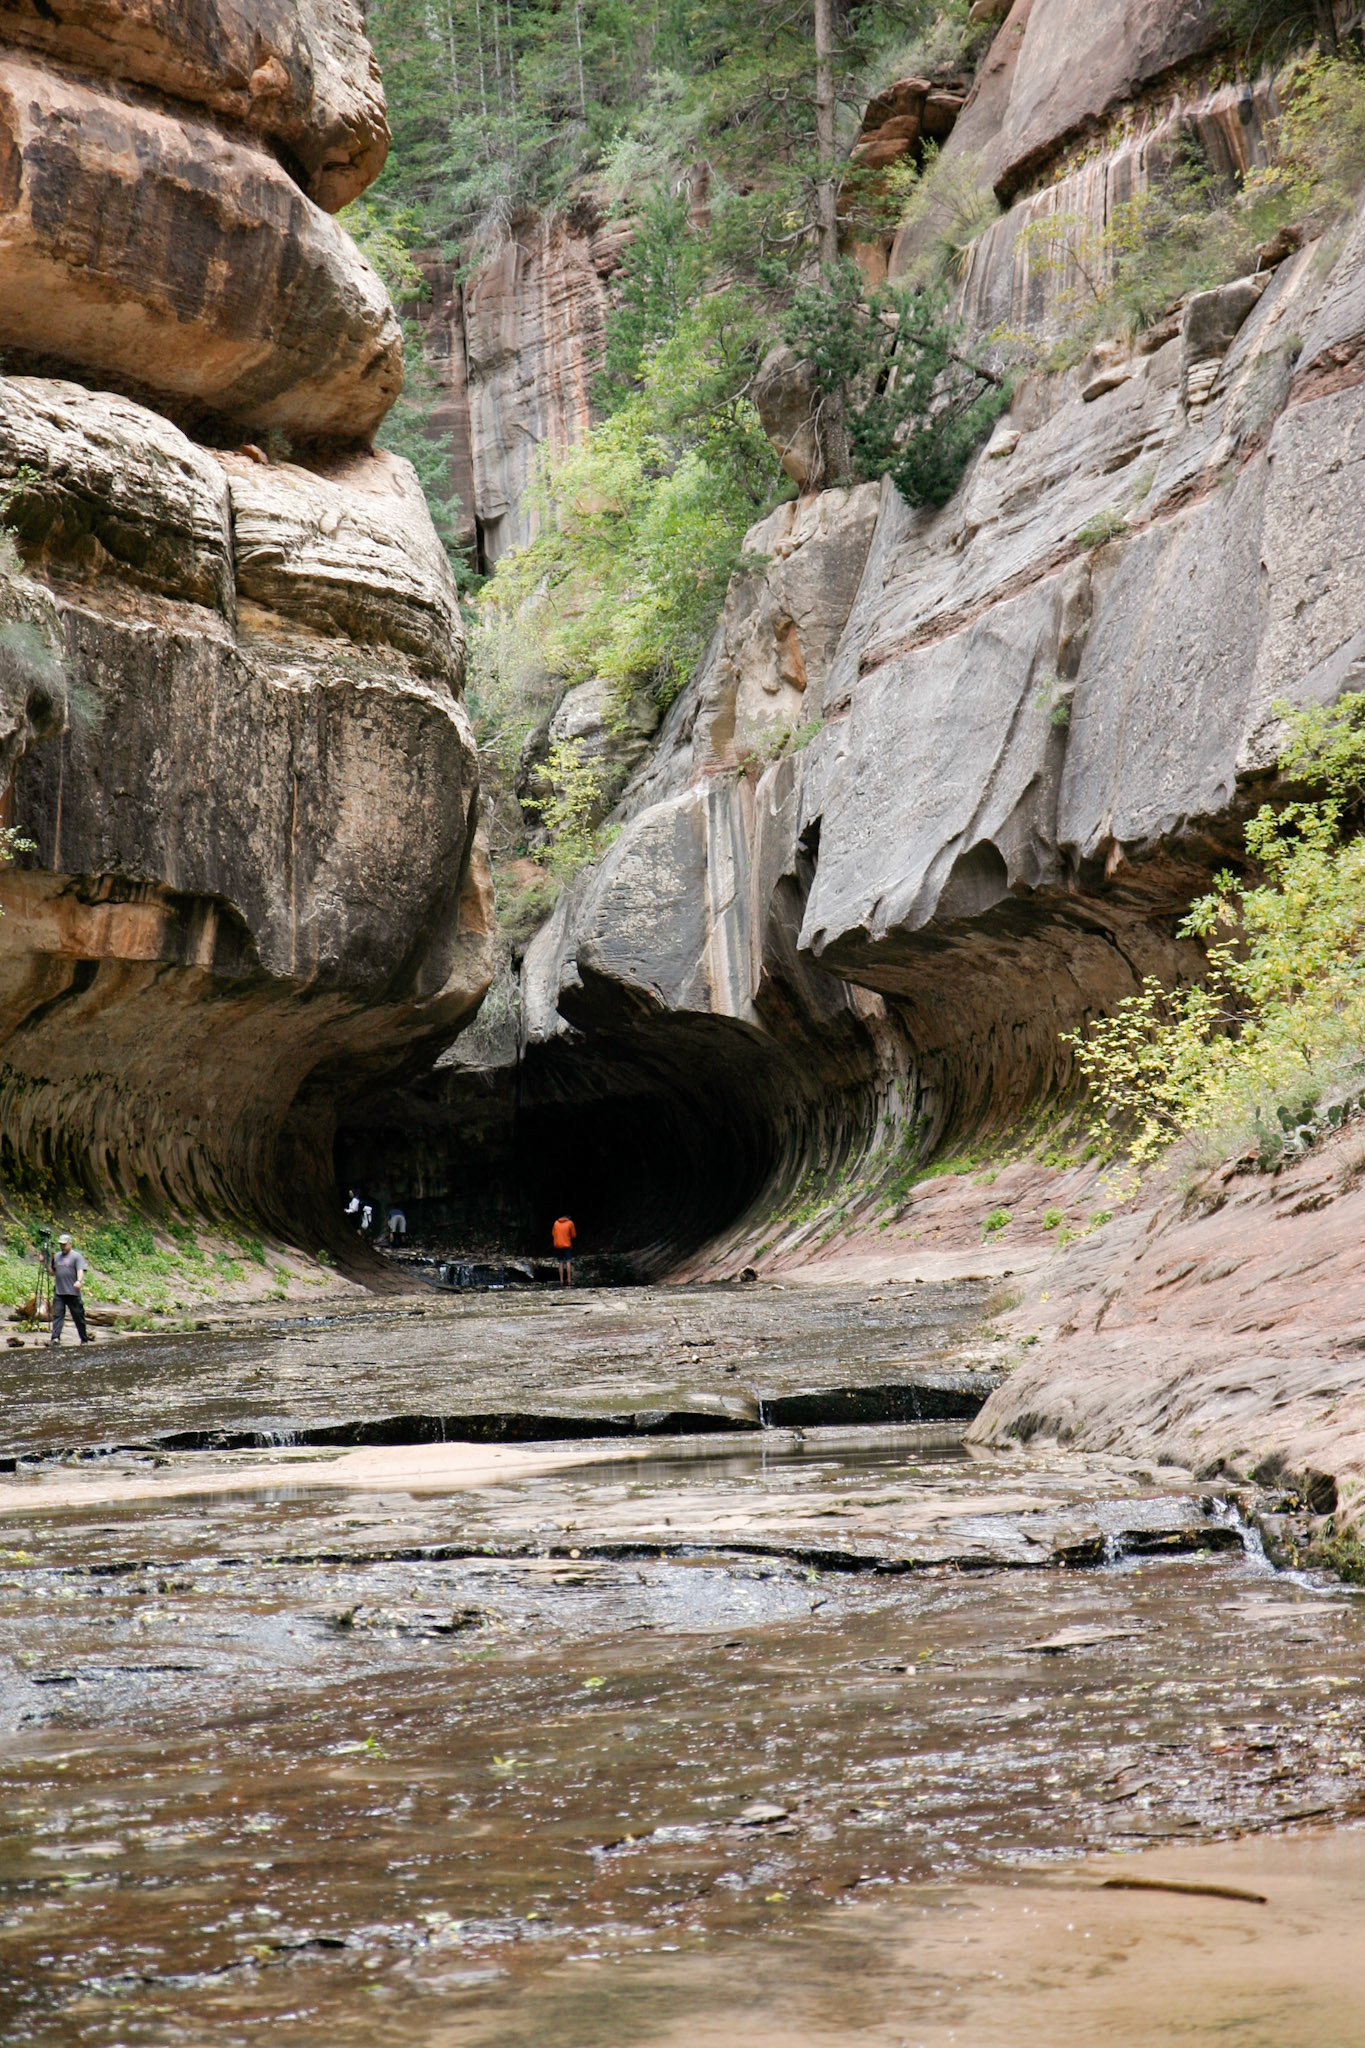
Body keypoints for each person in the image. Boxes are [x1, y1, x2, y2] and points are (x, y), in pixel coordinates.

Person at [46, 1232, 92, 1346]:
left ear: (70, 1244)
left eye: (64, 1244)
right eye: (61, 1245)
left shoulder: (76, 1256)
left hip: (73, 1292)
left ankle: (84, 1339)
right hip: (59, 1292)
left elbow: (80, 1270)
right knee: (58, 1315)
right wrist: (47, 1262)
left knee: (78, 1316)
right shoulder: (56, 1256)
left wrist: (79, 1281)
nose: (62, 1247)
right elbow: (52, 1273)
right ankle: (55, 1338)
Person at [552, 1214, 576, 1287]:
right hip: (567, 1245)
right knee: (568, 1261)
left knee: (560, 1262)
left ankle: (561, 1281)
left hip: (558, 1245)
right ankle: (569, 1280)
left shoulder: (556, 1223)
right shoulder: (570, 1223)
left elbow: (553, 1234)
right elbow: (573, 1235)